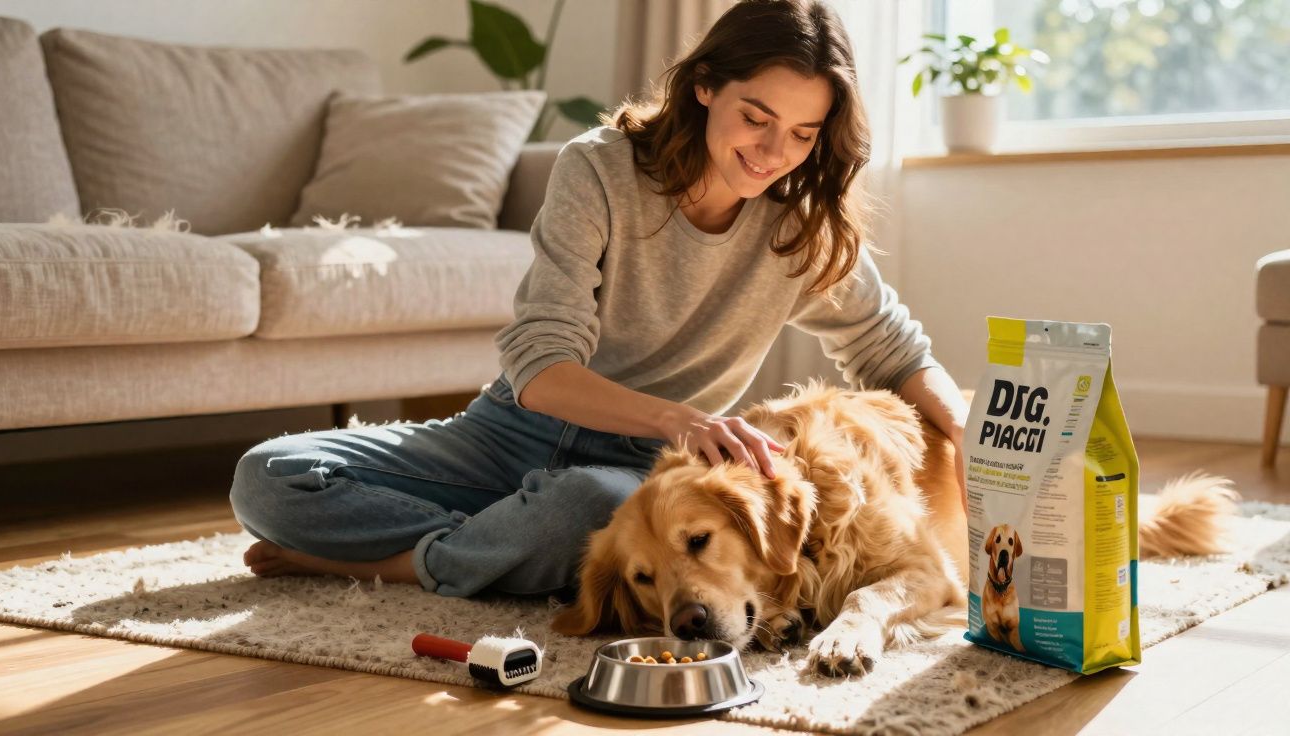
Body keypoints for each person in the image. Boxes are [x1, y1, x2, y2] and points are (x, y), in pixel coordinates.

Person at [228, 0, 970, 597]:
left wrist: (969, 432)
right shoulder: (600, 170)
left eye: (804, 133)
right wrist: (686, 418)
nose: (775, 153)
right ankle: (495, 545)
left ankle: (388, 564)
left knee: (579, 509)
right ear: (705, 86)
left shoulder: (797, 227)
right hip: (509, 430)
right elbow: (541, 365)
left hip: (645, 470)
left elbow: (892, 348)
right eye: (757, 117)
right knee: (267, 477)